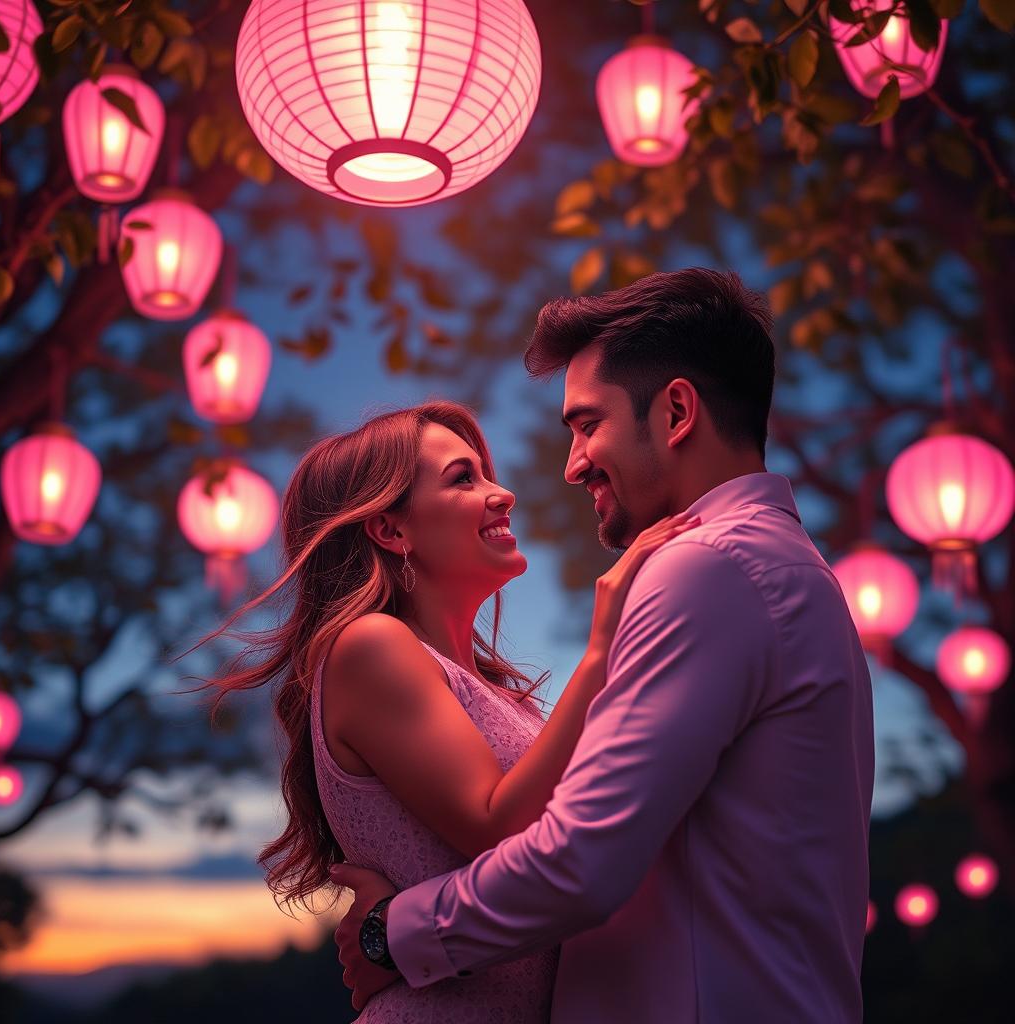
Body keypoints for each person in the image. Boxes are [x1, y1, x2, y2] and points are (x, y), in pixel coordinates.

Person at [331, 268, 875, 1023]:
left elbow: (579, 863)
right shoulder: (785, 568)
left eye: (588, 424)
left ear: (677, 411)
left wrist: (393, 933)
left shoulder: (708, 567)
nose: (572, 462)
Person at [203, 397, 699, 1022]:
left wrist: (388, 930)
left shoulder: (493, 693)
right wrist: (601, 649)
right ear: (391, 529)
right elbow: (499, 829)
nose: (503, 494)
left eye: (486, 474)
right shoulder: (370, 646)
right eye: (464, 478)